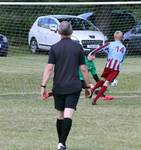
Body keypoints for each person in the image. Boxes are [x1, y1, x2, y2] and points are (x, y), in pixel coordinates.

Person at [40, 21, 91, 150]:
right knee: (68, 115)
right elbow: (84, 69)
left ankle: (61, 143)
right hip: (74, 86)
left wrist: (43, 86)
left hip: (59, 87)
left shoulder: (54, 47)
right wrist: (87, 86)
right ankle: (61, 144)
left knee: (60, 116)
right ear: (71, 32)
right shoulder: (78, 47)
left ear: (58, 32)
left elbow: (49, 68)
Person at [89, 31, 126, 105]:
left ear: (114, 37)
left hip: (108, 65)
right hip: (116, 68)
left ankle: (93, 89)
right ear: (121, 38)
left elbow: (100, 48)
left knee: (103, 80)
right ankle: (95, 100)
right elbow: (122, 59)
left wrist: (91, 53)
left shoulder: (110, 44)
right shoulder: (124, 48)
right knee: (106, 83)